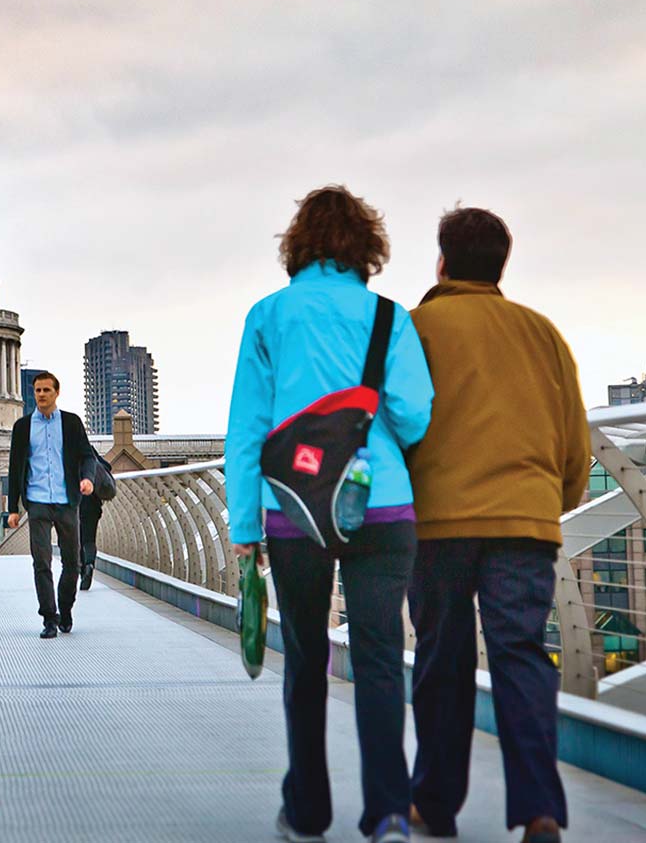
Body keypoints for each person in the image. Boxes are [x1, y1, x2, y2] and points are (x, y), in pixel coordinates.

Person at [226, 186, 434, 843]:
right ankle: (390, 812)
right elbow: (414, 412)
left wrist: (244, 528)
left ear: (299, 243)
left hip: (292, 507)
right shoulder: (387, 317)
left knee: (307, 658)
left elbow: (247, 430)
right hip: (384, 501)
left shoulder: (268, 315)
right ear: (365, 246)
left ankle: (308, 810)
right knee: (377, 658)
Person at [404, 208, 589, 843]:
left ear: (443, 262)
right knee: (522, 656)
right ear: (501, 263)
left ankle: (434, 803)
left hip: (437, 523)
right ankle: (540, 810)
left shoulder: (418, 329)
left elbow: (395, 425)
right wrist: (550, 501)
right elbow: (575, 445)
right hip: (526, 519)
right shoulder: (543, 333)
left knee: (442, 660)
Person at [6, 371, 96, 639]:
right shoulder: (22, 427)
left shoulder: (71, 423)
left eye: (46, 390)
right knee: (41, 561)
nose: (42, 395)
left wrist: (87, 479)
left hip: (67, 500)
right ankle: (48, 617)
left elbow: (87, 456)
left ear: (57, 393)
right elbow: (15, 468)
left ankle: (65, 609)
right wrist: (13, 508)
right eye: (37, 390)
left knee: (72, 562)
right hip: (38, 502)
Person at [79, 491, 103, 589]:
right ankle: (90, 563)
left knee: (79, 541)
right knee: (90, 540)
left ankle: (83, 570)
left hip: (77, 506)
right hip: (94, 505)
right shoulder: (93, 474)